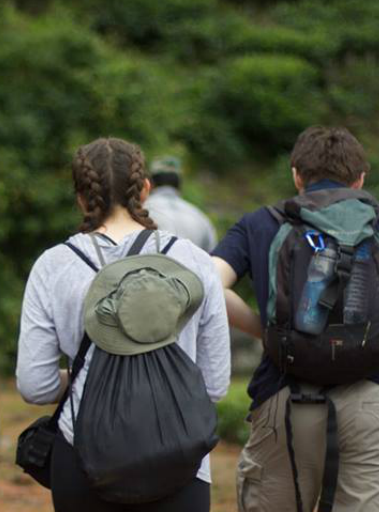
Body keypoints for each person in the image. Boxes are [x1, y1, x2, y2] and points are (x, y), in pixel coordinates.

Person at [212, 127, 379, 511]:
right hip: (371, 393)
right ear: (360, 178)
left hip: (284, 396)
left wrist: (267, 329)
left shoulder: (261, 222)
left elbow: (210, 283)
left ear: (297, 175)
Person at [17, 137, 231, 512]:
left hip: (84, 459)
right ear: (144, 190)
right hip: (181, 461)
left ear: (82, 197)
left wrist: (82, 376)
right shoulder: (195, 263)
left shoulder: (53, 266)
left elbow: (35, 386)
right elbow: (213, 385)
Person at [143, 156, 218, 252]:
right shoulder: (201, 218)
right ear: (180, 185)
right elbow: (212, 261)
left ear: (149, 184)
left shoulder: (139, 211)